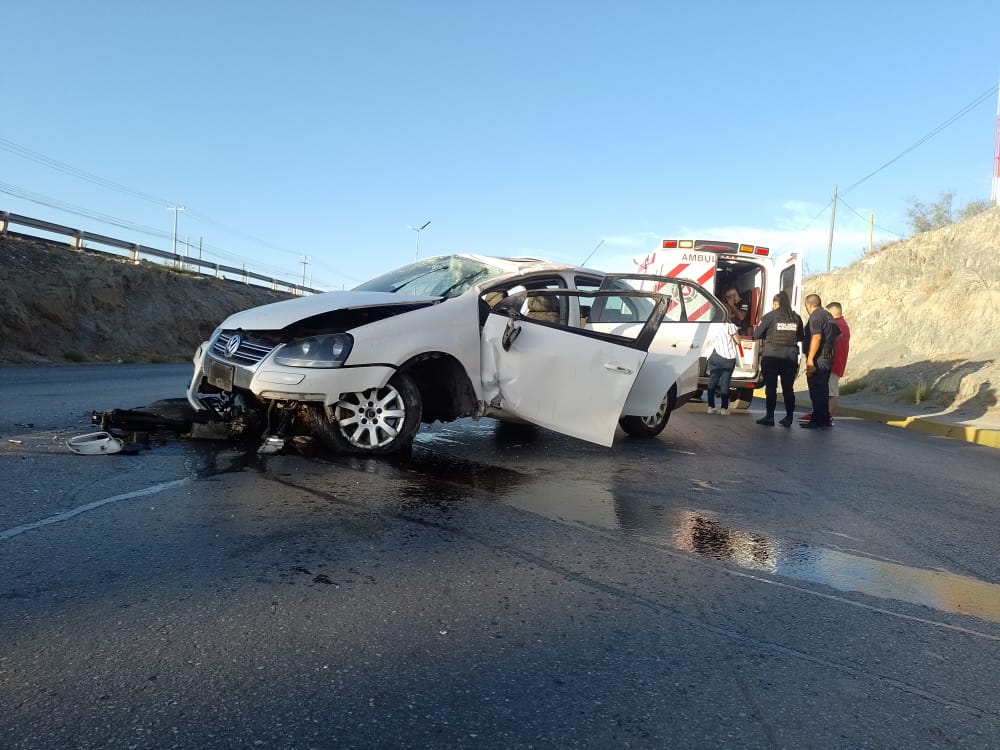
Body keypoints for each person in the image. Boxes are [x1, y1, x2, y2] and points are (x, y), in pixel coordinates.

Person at [752, 290, 804, 427]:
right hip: (790, 356)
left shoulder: (770, 316)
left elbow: (757, 335)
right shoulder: (796, 317)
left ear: (777, 303)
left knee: (771, 387)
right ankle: (789, 417)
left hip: (772, 356)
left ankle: (770, 416)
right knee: (788, 389)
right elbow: (801, 337)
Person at [799, 293, 840, 430]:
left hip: (818, 358)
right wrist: (828, 345)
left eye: (806, 306)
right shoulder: (829, 316)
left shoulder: (816, 316)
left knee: (817, 390)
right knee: (823, 389)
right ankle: (824, 419)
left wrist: (811, 359)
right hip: (828, 356)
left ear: (809, 305)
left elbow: (816, 337)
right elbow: (838, 336)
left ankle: (818, 421)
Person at [704, 310, 742, 415]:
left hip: (715, 356)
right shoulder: (730, 326)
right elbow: (738, 341)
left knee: (712, 381)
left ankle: (711, 406)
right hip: (728, 358)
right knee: (725, 383)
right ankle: (724, 408)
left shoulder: (712, 326)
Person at [826, 302, 851, 418]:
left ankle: (828, 416)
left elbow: (830, 342)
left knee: (831, 392)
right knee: (830, 391)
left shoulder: (837, 325)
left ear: (832, 311)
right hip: (836, 362)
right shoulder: (842, 324)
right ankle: (826, 415)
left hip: (834, 363)